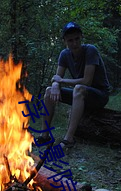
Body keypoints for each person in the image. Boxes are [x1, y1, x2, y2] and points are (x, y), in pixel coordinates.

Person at [36, 21, 111, 149]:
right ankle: (45, 136)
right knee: (49, 91)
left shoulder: (90, 50)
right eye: (70, 40)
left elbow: (87, 81)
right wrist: (55, 85)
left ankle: (68, 139)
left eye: (77, 39)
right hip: (80, 95)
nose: (74, 43)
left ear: (81, 37)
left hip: (99, 95)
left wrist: (60, 81)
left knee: (79, 88)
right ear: (65, 41)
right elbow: (56, 78)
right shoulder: (64, 54)